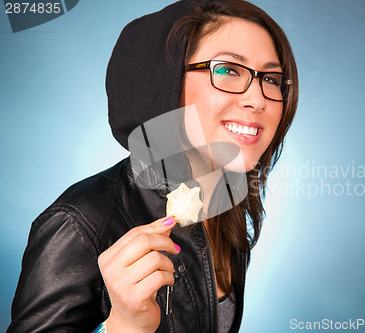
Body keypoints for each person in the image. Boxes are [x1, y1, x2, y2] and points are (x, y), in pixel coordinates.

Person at [8, 0, 298, 332]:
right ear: (166, 81)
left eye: (272, 79)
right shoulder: (79, 223)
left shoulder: (224, 207)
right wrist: (124, 326)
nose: (258, 99)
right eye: (228, 70)